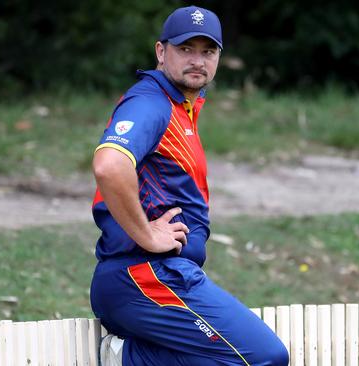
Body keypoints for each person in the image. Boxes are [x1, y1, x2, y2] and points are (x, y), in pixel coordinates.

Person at [90, 5, 289, 366]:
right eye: (186, 49)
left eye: (208, 51)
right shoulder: (151, 102)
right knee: (264, 358)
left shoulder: (183, 106)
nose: (197, 60)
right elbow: (109, 165)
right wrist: (147, 236)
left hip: (164, 277)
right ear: (161, 52)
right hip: (144, 276)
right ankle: (126, 358)